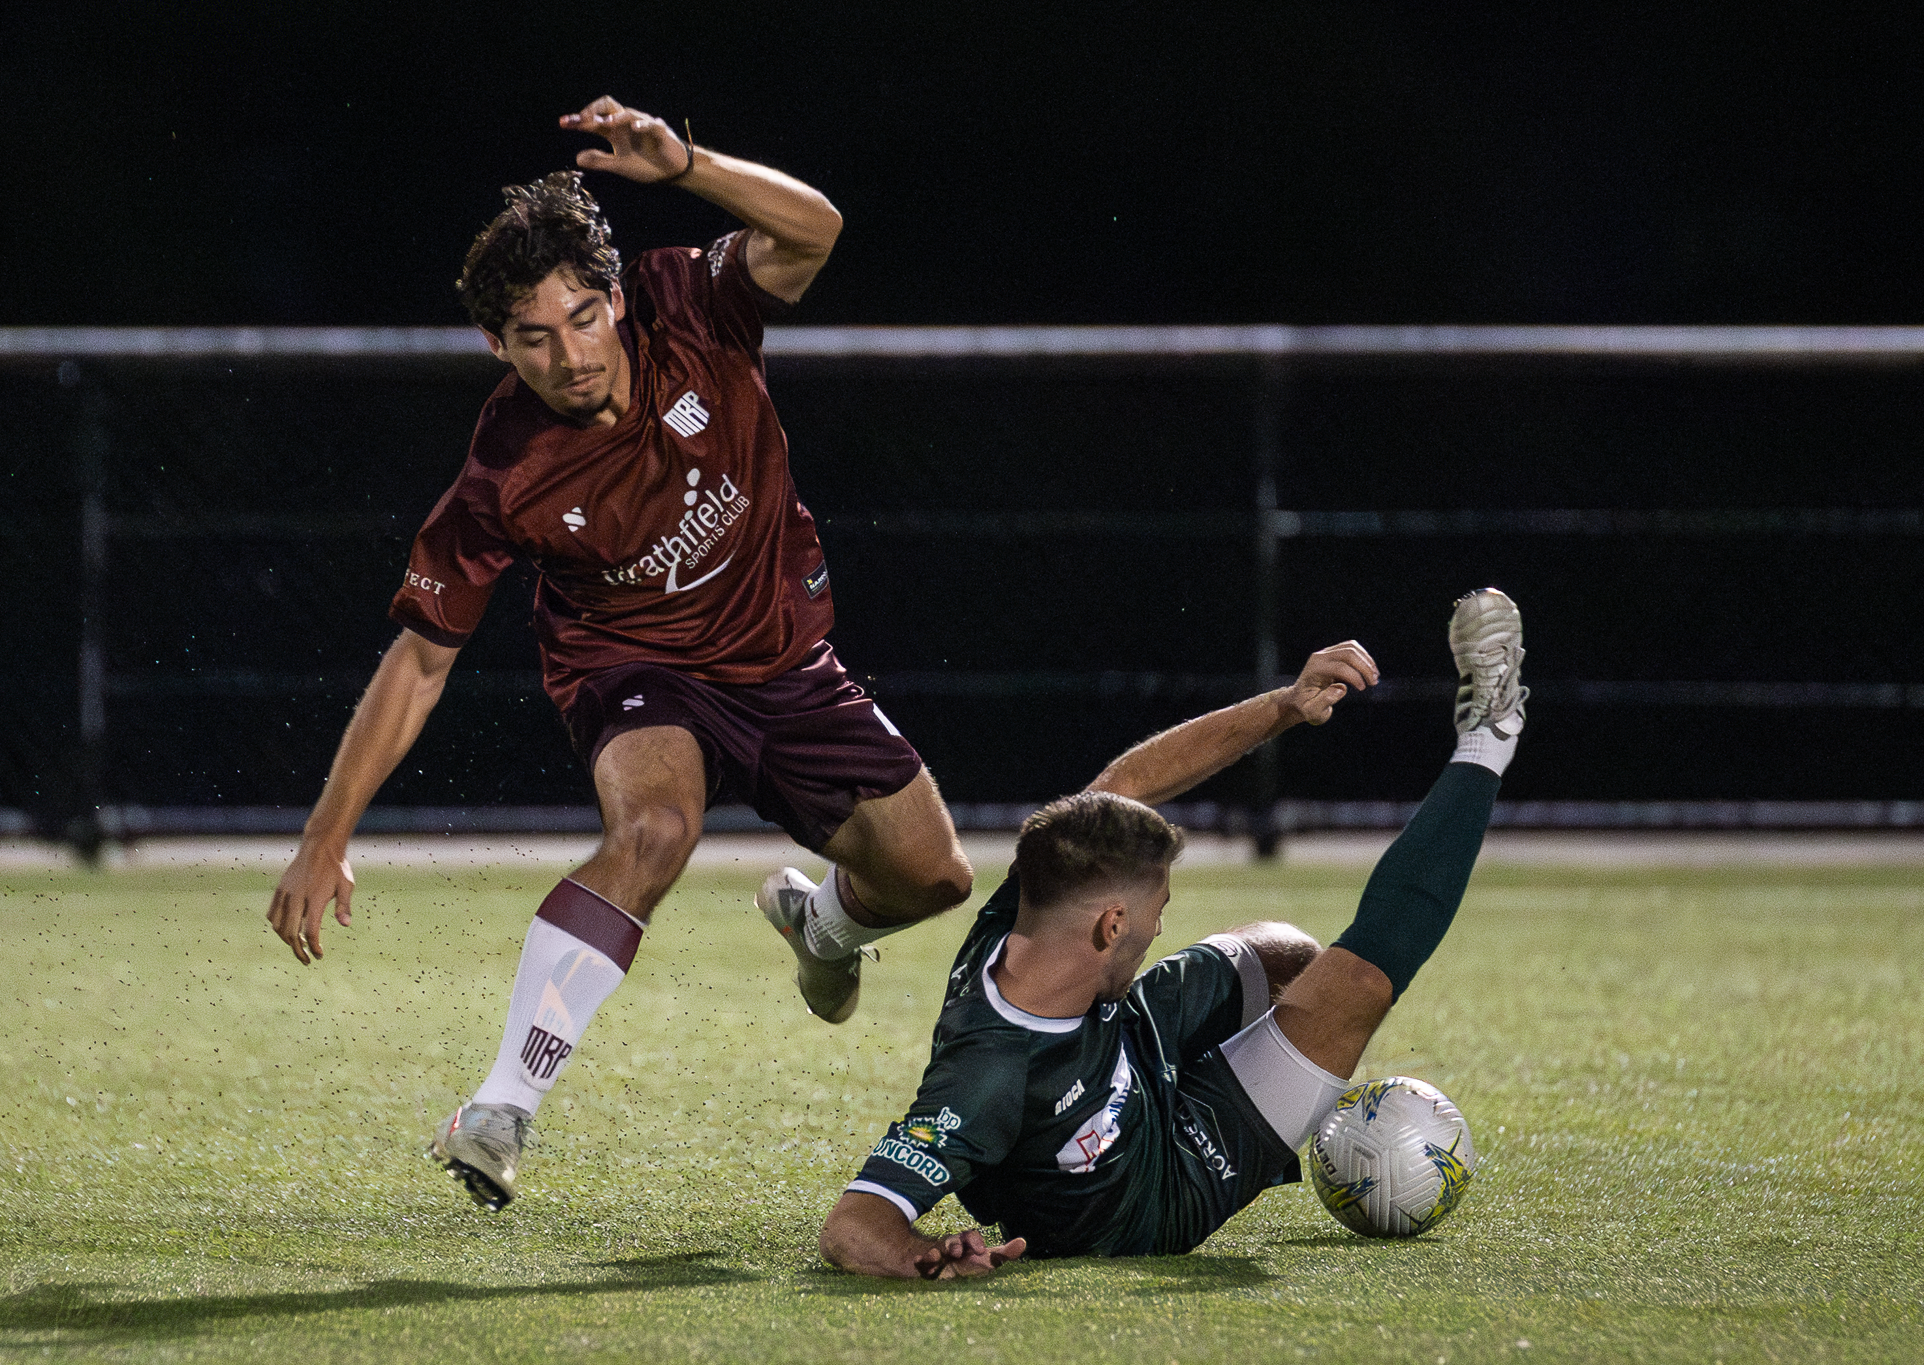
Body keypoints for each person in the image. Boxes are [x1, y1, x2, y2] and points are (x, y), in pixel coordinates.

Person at [263, 96, 973, 1211]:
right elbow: (420, 661)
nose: (569, 355)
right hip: (633, 669)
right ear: (496, 347)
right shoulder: (504, 474)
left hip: (783, 660)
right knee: (654, 829)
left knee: (933, 876)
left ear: (617, 299)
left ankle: (821, 922)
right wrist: (326, 835)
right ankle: (500, 1108)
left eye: (584, 318)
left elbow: (817, 229)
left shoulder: (691, 302)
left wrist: (686, 165)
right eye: (533, 339)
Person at [818, 589, 1527, 1277]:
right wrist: (920, 1253)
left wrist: (1285, 705)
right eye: (1158, 907)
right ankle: (1488, 738)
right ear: (1112, 924)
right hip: (1162, 1182)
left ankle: (1286, 1076)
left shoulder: (1036, 892)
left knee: (1289, 954)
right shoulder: (991, 1075)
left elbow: (1124, 785)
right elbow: (853, 1227)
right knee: (1356, 984)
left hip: (1120, 1035)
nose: (1162, 925)